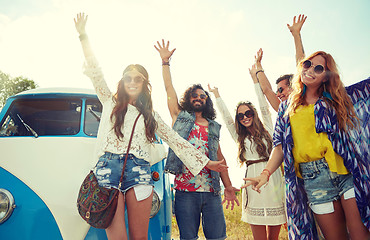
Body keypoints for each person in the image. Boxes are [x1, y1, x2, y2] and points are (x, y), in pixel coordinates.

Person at [74, 13, 228, 240]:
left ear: (145, 84)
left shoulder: (151, 115)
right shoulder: (109, 101)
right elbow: (96, 72)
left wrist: (207, 162)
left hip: (139, 171)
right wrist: (83, 36)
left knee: (140, 237)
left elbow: (176, 141)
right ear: (123, 82)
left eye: (139, 79)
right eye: (129, 78)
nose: (133, 82)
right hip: (108, 170)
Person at [244, 51, 370, 240]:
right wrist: (265, 173)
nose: (310, 70)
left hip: (346, 173)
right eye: (307, 64)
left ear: (326, 76)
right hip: (314, 180)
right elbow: (279, 147)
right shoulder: (287, 109)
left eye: (318, 68)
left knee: (361, 234)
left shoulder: (336, 100)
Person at [154, 39, 240, 240]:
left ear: (207, 101)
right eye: (194, 95)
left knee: (217, 237)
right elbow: (168, 89)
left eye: (203, 95)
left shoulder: (212, 126)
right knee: (188, 238)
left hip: (211, 192)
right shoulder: (180, 116)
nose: (198, 97)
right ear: (188, 98)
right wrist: (165, 63)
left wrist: (228, 186)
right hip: (185, 191)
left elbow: (220, 158)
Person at [208, 63, 286, 240]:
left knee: (273, 234)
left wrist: (254, 79)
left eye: (248, 113)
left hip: (272, 179)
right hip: (251, 181)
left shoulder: (268, 128)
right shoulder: (240, 137)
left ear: (254, 113)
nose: (245, 117)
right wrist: (217, 96)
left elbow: (262, 103)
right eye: (240, 115)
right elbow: (227, 120)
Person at [257, 14, 307, 112]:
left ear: (294, 86)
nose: (278, 95)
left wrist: (296, 35)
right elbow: (267, 90)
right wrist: (258, 67)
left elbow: (301, 65)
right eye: (277, 91)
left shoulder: (307, 100)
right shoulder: (284, 111)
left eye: (281, 90)